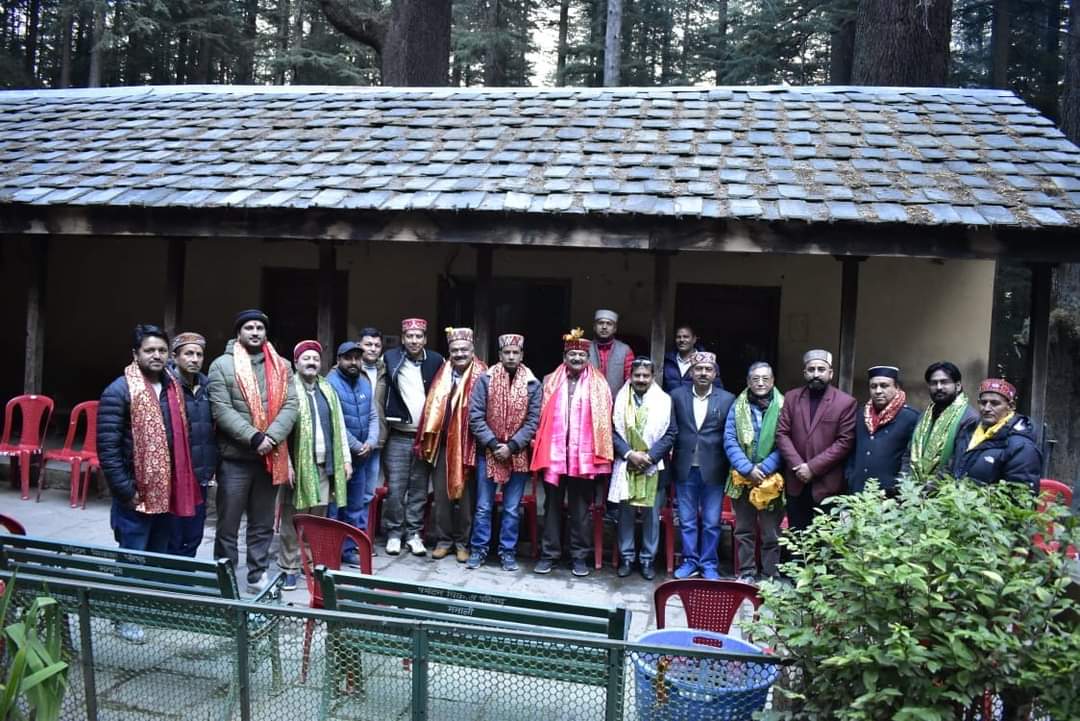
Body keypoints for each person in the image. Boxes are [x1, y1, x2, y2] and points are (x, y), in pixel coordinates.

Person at [98, 324, 201, 643]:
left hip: (167, 491)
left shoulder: (173, 387)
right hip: (136, 493)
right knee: (132, 555)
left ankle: (147, 609)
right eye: (149, 350)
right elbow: (108, 447)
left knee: (159, 555)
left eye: (161, 350)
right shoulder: (120, 390)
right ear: (135, 355)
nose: (156, 355)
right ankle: (124, 617)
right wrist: (126, 491)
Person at [207, 309, 298, 594]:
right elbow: (221, 409)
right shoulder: (221, 366)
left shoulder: (282, 366)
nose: (255, 332)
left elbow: (291, 405)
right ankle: (227, 574)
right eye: (249, 327)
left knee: (261, 524)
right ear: (239, 333)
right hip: (235, 458)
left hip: (269, 458)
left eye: (260, 327)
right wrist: (254, 437)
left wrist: (270, 437)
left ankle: (256, 575)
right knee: (228, 523)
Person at [531, 328, 614, 577]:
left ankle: (579, 557)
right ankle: (549, 555)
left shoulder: (599, 384)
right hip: (555, 455)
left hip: (583, 458)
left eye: (581, 354)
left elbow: (605, 420)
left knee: (580, 511)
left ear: (588, 358)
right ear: (564, 357)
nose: (577, 358)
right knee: (552, 507)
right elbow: (539, 416)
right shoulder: (549, 380)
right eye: (572, 354)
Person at [277, 341, 351, 591]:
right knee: (292, 520)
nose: (311, 362)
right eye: (306, 358)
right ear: (296, 362)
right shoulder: (287, 390)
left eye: (315, 359)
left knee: (315, 520)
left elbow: (339, 425)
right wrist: (285, 464)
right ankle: (288, 568)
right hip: (296, 468)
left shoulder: (327, 389)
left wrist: (345, 460)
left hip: (323, 466)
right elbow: (281, 432)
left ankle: (308, 564)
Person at [467, 333, 542, 571]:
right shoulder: (485, 380)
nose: (511, 356)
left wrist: (510, 447)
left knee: (511, 507)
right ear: (499, 355)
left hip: (517, 453)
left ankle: (507, 551)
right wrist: (493, 444)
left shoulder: (533, 383)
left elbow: (533, 421)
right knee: (483, 505)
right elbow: (475, 416)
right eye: (506, 352)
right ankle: (479, 549)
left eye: (515, 352)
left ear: (522, 355)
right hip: (488, 451)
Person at [414, 327, 487, 562]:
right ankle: (443, 540)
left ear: (472, 350)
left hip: (470, 445)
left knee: (466, 499)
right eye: (455, 350)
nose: (459, 354)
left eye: (464, 349)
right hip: (443, 444)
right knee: (442, 497)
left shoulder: (483, 374)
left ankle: (462, 542)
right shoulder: (441, 373)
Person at [668, 351, 736, 580]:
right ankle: (689, 561)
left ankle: (708, 564)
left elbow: (730, 435)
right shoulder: (676, 396)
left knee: (711, 522)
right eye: (699, 369)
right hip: (684, 467)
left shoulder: (727, 399)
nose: (703, 373)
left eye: (708, 369)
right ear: (691, 373)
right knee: (686, 520)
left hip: (714, 469)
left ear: (715, 373)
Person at [776, 349, 858, 532]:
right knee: (798, 537)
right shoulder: (791, 397)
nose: (816, 374)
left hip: (827, 483)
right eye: (811, 369)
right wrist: (799, 466)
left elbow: (845, 442)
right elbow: (782, 433)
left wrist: (812, 468)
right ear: (804, 373)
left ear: (831, 373)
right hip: (796, 480)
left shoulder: (845, 402)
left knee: (825, 539)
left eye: (821, 369)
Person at [609, 358, 675, 580]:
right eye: (637, 375)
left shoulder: (665, 401)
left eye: (645, 376)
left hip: (654, 466)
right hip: (626, 464)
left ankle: (647, 559)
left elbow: (671, 433)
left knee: (651, 516)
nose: (641, 379)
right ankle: (627, 557)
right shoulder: (619, 399)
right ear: (630, 376)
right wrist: (630, 454)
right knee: (625, 514)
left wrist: (651, 456)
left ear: (652, 377)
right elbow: (611, 431)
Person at [382, 318, 444, 556]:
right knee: (396, 490)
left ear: (425, 339)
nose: (414, 340)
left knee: (419, 489)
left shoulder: (436, 361)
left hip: (424, 438)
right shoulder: (390, 359)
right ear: (403, 338)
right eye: (410, 336)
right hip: (397, 436)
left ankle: (414, 534)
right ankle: (394, 533)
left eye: (419, 336)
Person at [723, 361, 784, 582]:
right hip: (742, 478)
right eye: (755, 379)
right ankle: (746, 572)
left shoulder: (783, 406)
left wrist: (765, 468)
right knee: (744, 531)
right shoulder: (737, 406)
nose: (760, 383)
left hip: (771, 480)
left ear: (773, 381)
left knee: (771, 533)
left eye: (765, 378)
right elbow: (729, 439)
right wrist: (748, 469)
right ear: (748, 381)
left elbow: (784, 442)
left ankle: (769, 575)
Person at [326, 339, 381, 563]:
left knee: (355, 507)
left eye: (357, 358)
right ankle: (330, 552)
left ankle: (347, 551)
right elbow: (334, 423)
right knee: (335, 507)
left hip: (361, 459)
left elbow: (373, 416)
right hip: (340, 458)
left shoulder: (365, 383)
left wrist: (371, 441)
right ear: (338, 360)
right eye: (348, 358)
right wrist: (357, 446)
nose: (353, 362)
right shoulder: (330, 384)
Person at [167, 331, 218, 557]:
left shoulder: (208, 387)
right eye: (188, 353)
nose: (195, 359)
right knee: (174, 531)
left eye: (199, 354)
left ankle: (186, 574)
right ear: (175, 357)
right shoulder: (166, 388)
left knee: (195, 530)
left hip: (201, 472)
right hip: (175, 474)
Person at [951, 378, 1041, 491]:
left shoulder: (1021, 446)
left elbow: (1020, 497)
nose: (987, 408)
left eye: (995, 403)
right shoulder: (968, 430)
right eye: (983, 403)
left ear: (1011, 406)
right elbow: (952, 467)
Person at [846, 366, 919, 495]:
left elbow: (911, 458)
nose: (878, 391)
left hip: (890, 496)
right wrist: (850, 476)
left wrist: (899, 487)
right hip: (858, 492)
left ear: (896, 388)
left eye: (884, 386)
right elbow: (851, 449)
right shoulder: (861, 414)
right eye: (873, 386)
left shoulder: (911, 417)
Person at [906, 361, 980, 483]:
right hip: (912, 490)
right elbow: (908, 454)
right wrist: (905, 483)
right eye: (934, 383)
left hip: (944, 492)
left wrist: (928, 489)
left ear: (958, 386)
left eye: (944, 382)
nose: (939, 387)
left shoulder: (969, 418)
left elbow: (957, 461)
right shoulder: (924, 416)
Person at [662, 324, 724, 393]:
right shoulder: (667, 360)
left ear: (694, 339)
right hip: (670, 402)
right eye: (678, 337)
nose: (681, 340)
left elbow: (718, 388)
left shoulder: (707, 361)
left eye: (686, 337)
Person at [588, 309, 635, 396]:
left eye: (609, 324)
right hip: (589, 401)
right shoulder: (585, 348)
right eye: (600, 323)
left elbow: (630, 379)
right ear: (594, 327)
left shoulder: (625, 350)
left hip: (616, 402)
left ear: (615, 329)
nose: (604, 327)